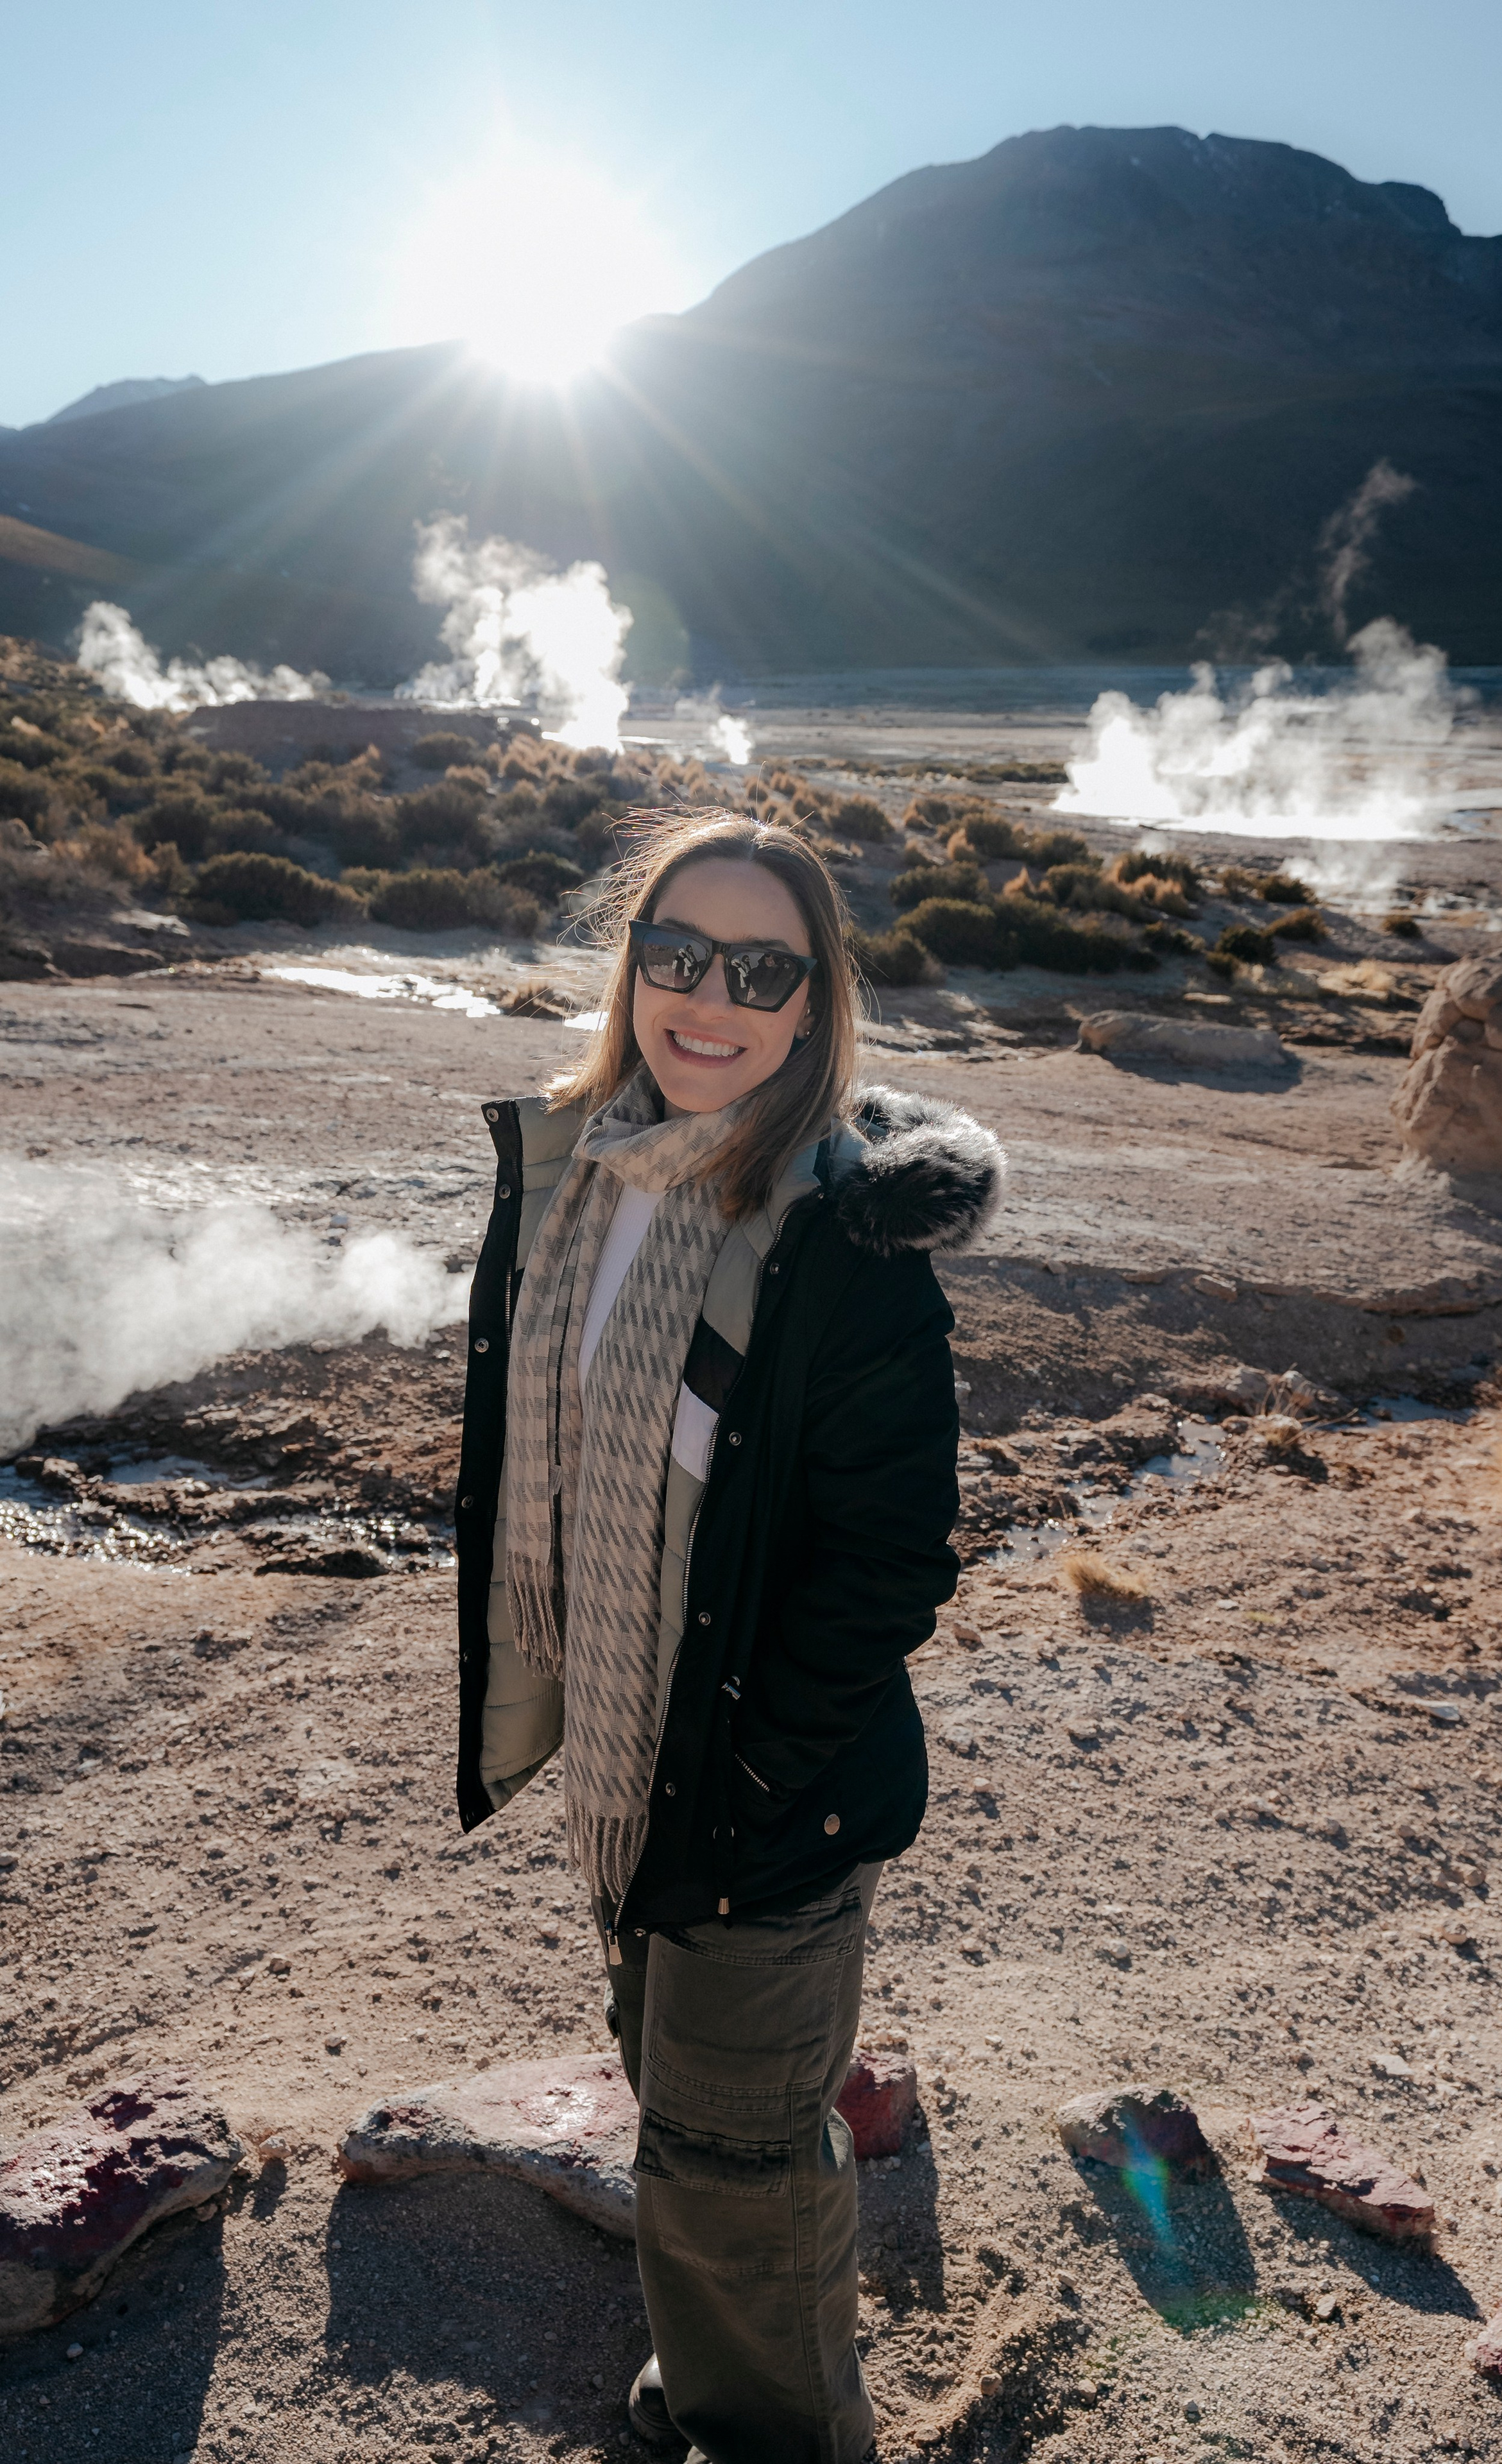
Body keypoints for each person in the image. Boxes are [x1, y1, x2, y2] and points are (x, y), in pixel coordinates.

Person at [452, 809, 1003, 2463]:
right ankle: (715, 2373)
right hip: (633, 1759)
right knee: (678, 2094)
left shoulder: (846, 1245)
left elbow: (888, 1565)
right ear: (630, 966)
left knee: (736, 2154)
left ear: (816, 1002)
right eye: (677, 953)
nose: (710, 998)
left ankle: (776, 2433)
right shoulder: (582, 1173)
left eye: (761, 970)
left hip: (765, 1789)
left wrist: (754, 1770)